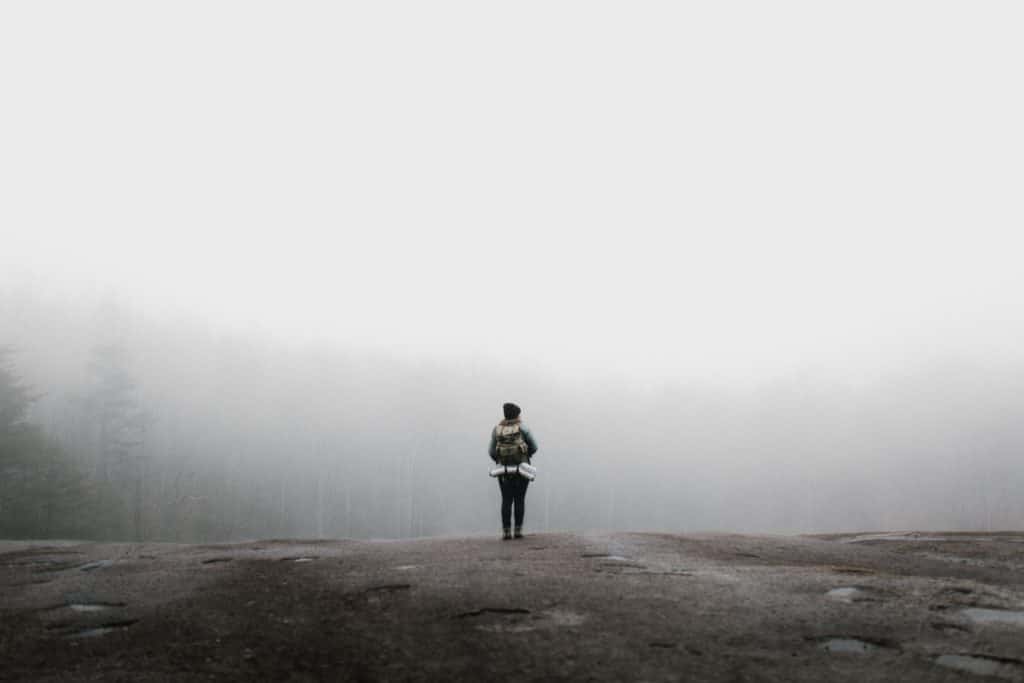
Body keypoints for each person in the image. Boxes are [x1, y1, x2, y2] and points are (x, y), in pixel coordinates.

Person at [488, 402, 539, 540]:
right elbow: (534, 446)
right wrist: (526, 455)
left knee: (506, 499)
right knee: (519, 499)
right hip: (522, 469)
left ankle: (506, 531)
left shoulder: (497, 429)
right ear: (517, 414)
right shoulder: (522, 427)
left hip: (503, 470)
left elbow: (491, 451)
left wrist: (501, 460)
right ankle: (517, 530)